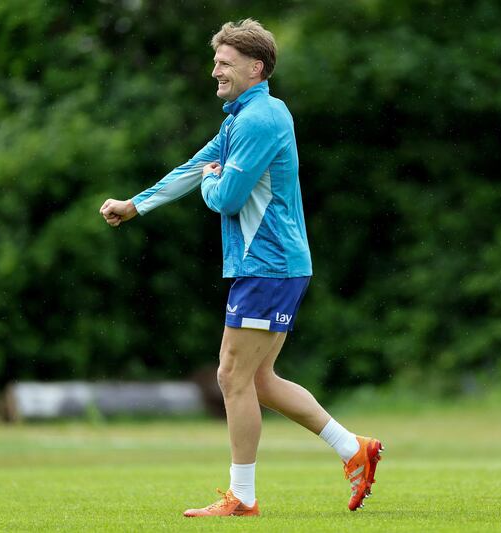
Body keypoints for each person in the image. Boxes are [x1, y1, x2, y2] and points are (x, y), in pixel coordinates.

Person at [99, 19, 383, 517]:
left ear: (256, 67)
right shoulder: (242, 117)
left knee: (231, 375)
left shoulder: (259, 119)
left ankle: (243, 498)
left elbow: (225, 196)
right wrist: (136, 204)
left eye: (224, 63)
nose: (215, 71)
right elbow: (195, 166)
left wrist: (212, 181)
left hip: (268, 265)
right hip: (275, 265)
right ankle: (352, 448)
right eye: (215, 62)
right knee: (258, 380)